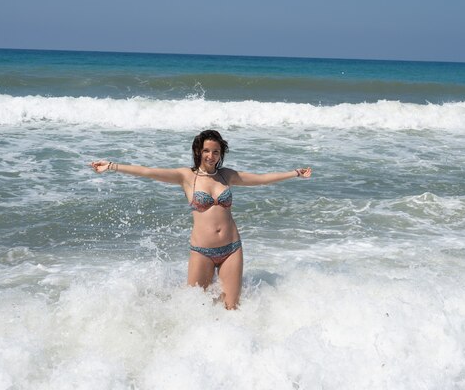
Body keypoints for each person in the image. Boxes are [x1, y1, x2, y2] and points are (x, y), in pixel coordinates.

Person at [90, 130, 311, 309]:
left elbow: (262, 179)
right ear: (198, 151)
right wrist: (111, 166)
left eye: (216, 151)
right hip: (202, 251)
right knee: (195, 308)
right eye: (206, 150)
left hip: (232, 249)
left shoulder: (227, 175)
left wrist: (295, 173)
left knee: (232, 308)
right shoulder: (186, 176)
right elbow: (148, 171)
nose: (211, 156)